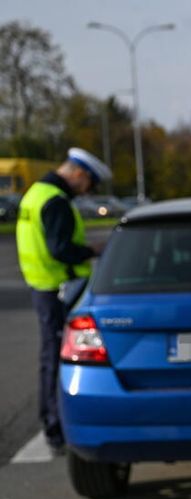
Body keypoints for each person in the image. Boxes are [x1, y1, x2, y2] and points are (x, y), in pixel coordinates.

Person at [16, 148, 112, 454]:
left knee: (50, 355)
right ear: (79, 174)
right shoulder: (55, 200)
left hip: (42, 284)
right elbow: (60, 249)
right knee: (59, 357)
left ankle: (52, 423)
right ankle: (55, 427)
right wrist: (91, 251)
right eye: (89, 184)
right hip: (59, 287)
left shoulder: (37, 193)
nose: (87, 192)